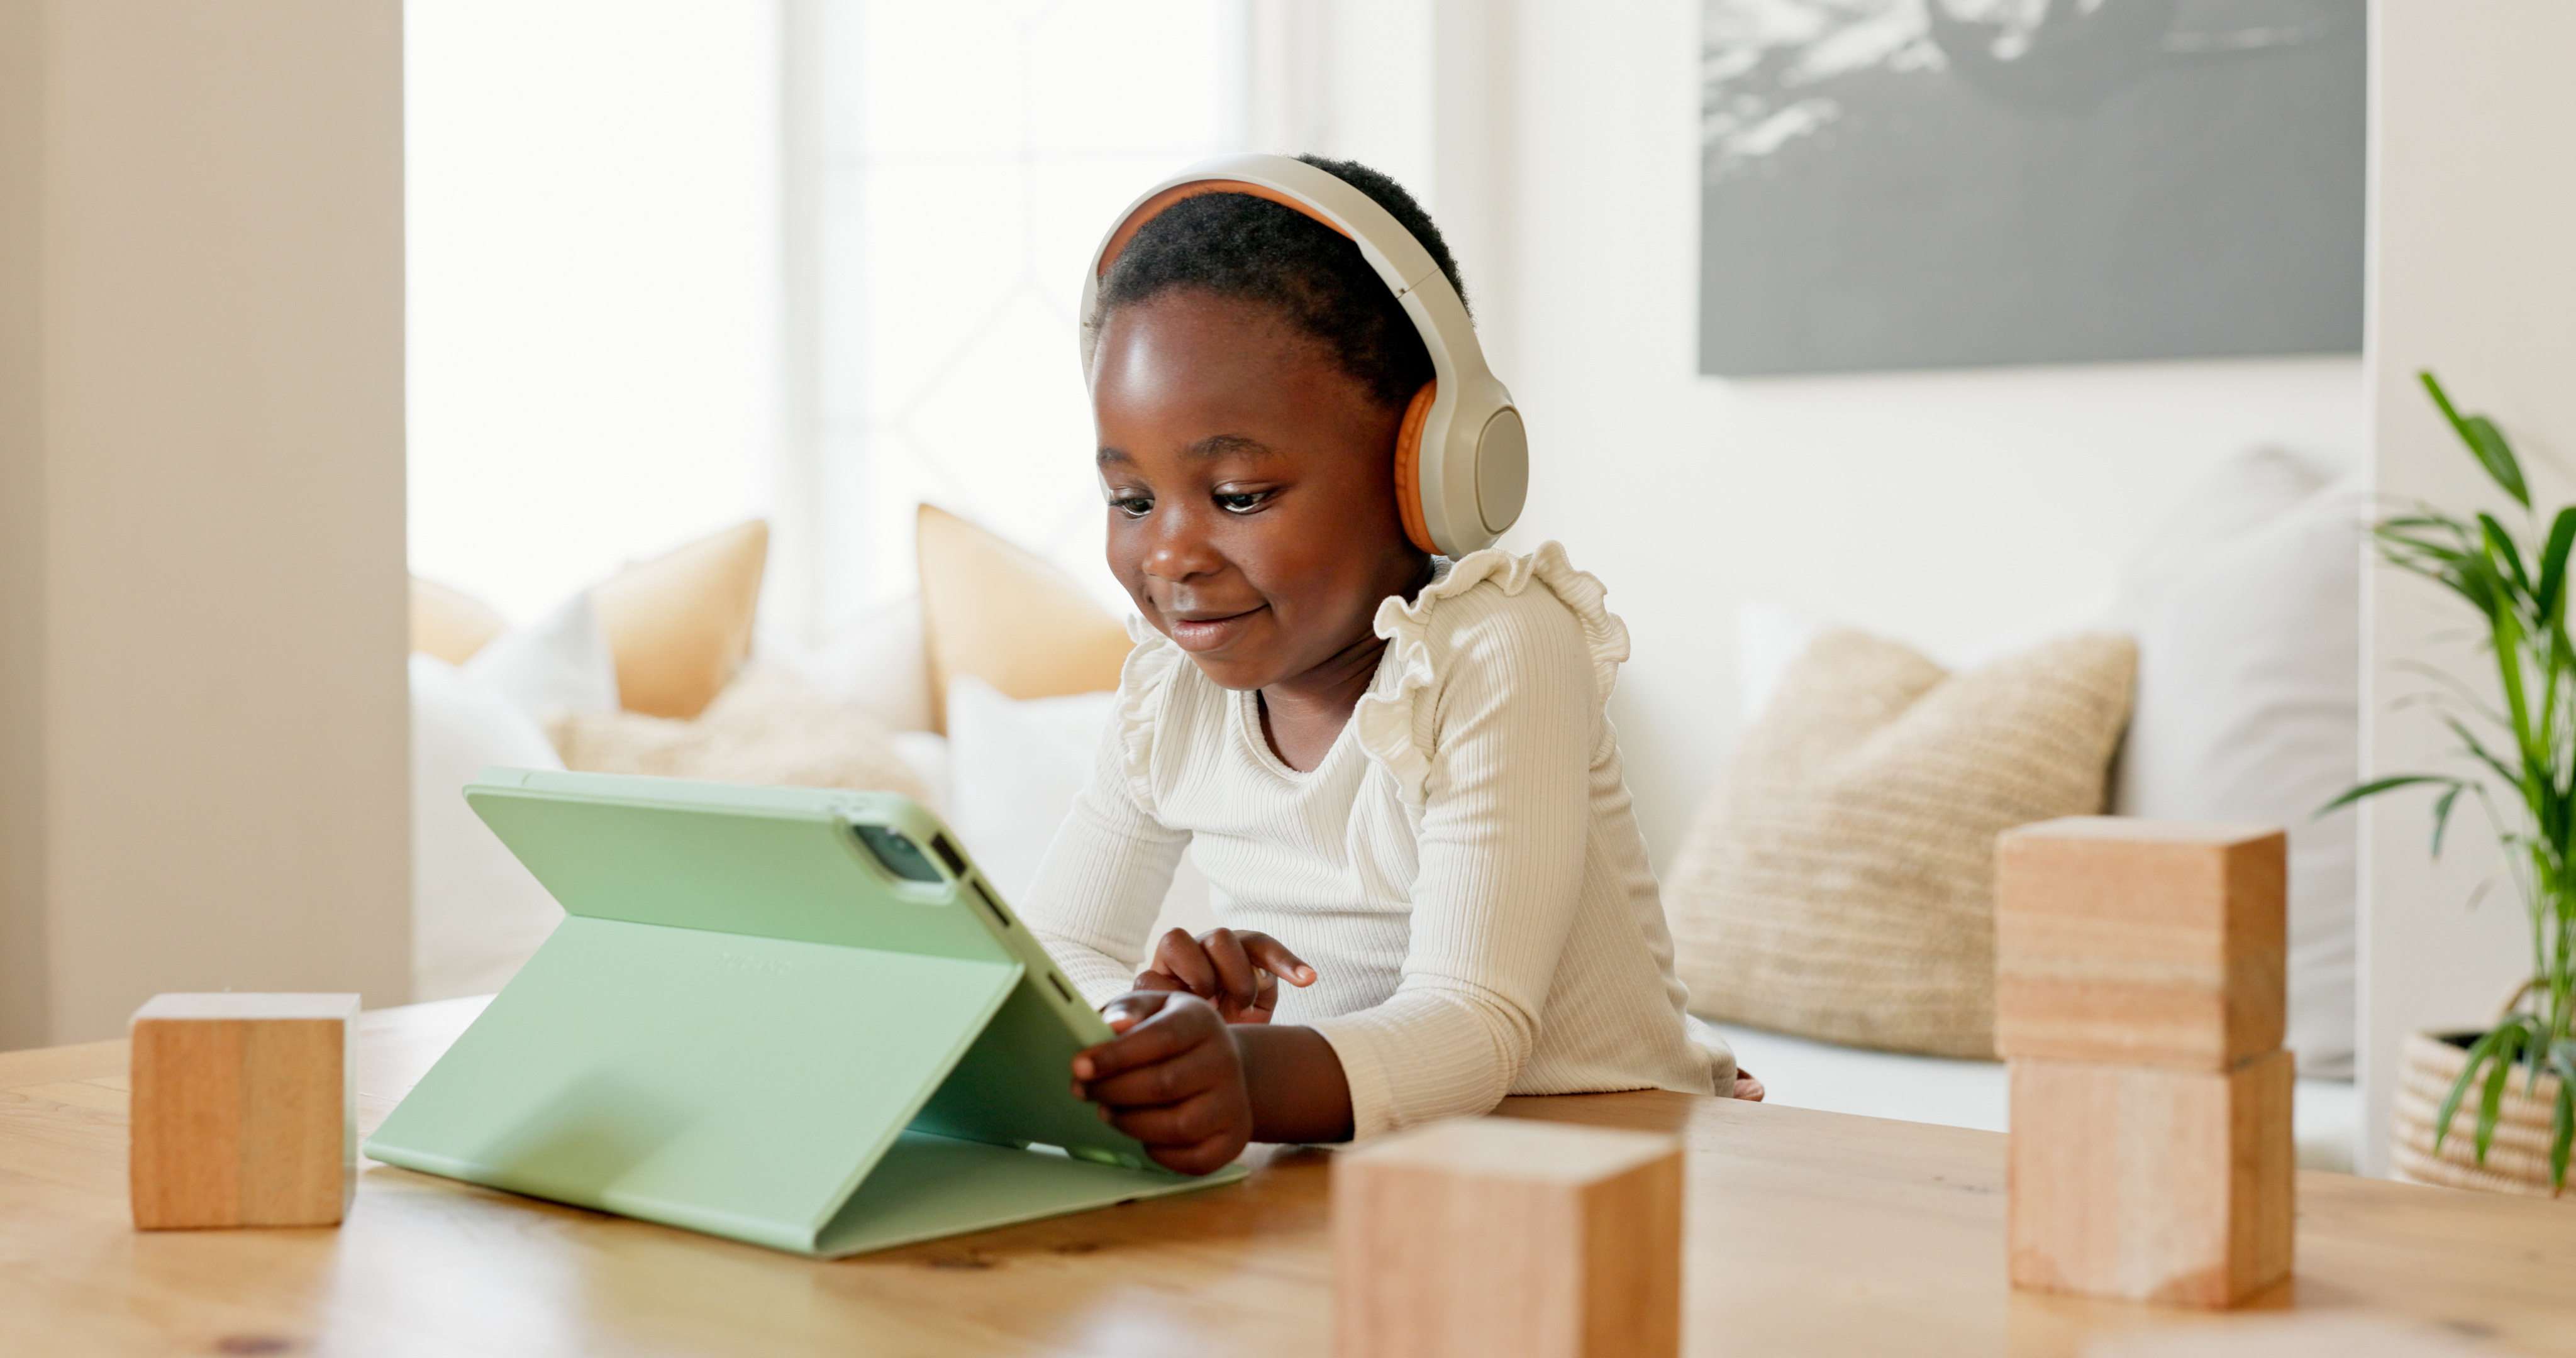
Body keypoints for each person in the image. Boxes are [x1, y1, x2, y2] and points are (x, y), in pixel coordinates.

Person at [1024, 155, 1761, 1177]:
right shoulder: (1174, 686)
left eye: (1238, 495)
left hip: (1599, 1162)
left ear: (1431, 470)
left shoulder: (1495, 645)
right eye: (1132, 500)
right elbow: (1052, 946)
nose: (1170, 557)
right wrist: (1148, 1039)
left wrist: (1245, 1076)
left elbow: (1471, 1023)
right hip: (1363, 1165)